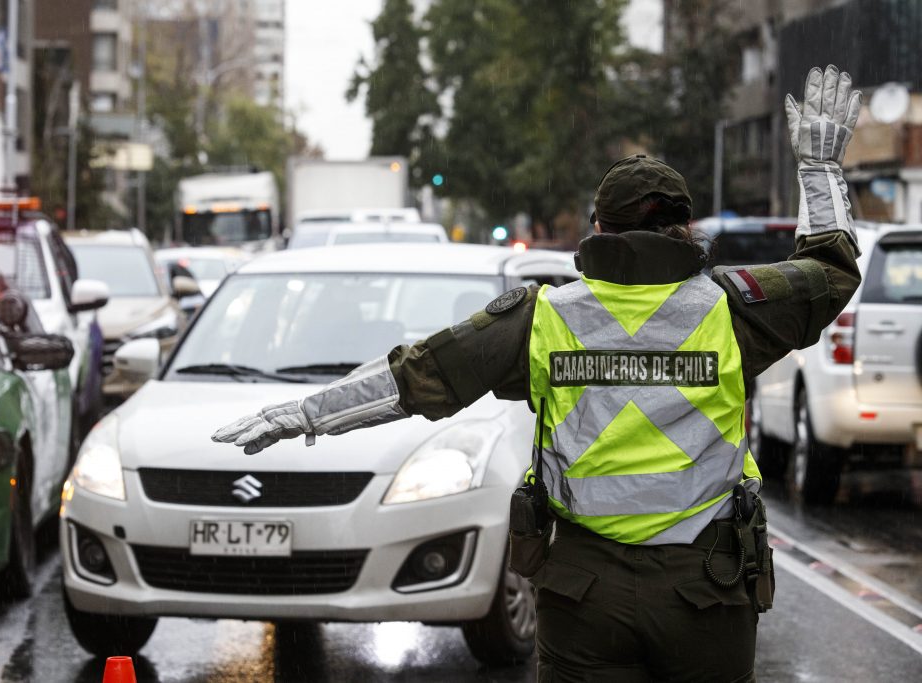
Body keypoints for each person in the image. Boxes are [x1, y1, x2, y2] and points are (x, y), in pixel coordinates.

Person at [212, 65, 862, 682]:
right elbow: (831, 271)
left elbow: (417, 378)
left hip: (583, 595)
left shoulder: (543, 317)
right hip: (707, 589)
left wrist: (305, 413)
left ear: (597, 229)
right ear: (685, 229)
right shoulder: (735, 309)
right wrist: (820, 168)